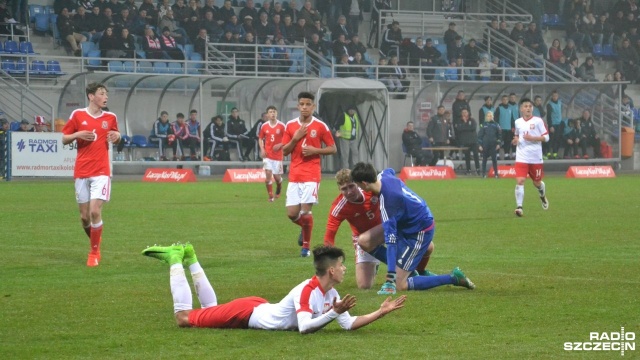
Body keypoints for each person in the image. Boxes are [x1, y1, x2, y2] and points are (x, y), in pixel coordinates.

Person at [142, 243, 407, 332]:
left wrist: (380, 312)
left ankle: (192, 258)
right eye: (342, 265)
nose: (345, 269)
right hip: (246, 313)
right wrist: (334, 313)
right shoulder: (308, 290)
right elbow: (304, 328)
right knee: (184, 319)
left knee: (211, 311)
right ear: (331, 270)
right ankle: (177, 259)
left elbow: (347, 324)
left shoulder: (332, 294)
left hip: (258, 307)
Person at [350, 162, 476, 295]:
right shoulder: (384, 176)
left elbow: (391, 243)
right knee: (364, 241)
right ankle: (408, 268)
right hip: (406, 223)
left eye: (358, 185)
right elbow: (391, 169)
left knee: (401, 284)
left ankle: (453, 278)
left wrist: (390, 277)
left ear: (364, 183)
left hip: (419, 230)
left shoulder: (388, 204)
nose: (359, 189)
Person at [324, 169, 437, 290]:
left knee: (428, 247)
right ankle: (389, 263)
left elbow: (393, 185)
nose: (349, 192)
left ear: (358, 183)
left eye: (351, 186)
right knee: (364, 285)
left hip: (387, 228)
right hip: (365, 240)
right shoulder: (338, 207)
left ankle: (421, 271)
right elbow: (329, 238)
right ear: (339, 190)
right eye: (344, 189)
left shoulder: (370, 189)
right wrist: (328, 265)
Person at [61, 83, 120, 267]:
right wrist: (79, 133)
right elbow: (64, 138)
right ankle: (95, 240)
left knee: (95, 211)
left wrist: (116, 137)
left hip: (101, 170)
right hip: (82, 170)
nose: (106, 97)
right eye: (102, 93)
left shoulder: (110, 117)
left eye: (106, 94)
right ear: (91, 96)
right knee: (85, 217)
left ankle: (93, 253)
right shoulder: (78, 115)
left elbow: (117, 135)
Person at [282, 92, 337, 257]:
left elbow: (333, 148)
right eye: (302, 104)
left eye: (308, 104)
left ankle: (305, 248)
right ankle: (304, 227)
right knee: (292, 214)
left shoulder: (320, 126)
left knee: (306, 212)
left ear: (313, 106)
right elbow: (285, 150)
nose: (304, 107)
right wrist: (295, 138)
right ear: (298, 106)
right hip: (295, 174)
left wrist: (316, 150)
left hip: (312, 173)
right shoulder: (291, 126)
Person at [511, 98, 549, 217]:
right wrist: (516, 140)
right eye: (526, 106)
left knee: (536, 182)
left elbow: (546, 137)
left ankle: (542, 195)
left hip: (535, 158)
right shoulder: (518, 122)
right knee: (520, 180)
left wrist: (533, 138)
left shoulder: (538, 121)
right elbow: (517, 135)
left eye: (530, 106)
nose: (528, 108)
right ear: (521, 109)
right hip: (521, 156)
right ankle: (519, 207)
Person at [258, 106, 285, 202]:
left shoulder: (282, 126)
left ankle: (279, 185)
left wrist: (281, 144)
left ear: (276, 113)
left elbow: (287, 139)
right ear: (267, 114)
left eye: (274, 112)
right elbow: (260, 138)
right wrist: (262, 149)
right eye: (270, 112)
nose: (273, 113)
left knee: (277, 177)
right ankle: (270, 196)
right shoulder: (264, 126)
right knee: (268, 174)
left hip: (278, 156)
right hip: (267, 155)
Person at [455, 109, 480, 175]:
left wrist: (465, 125)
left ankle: (478, 169)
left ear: (468, 113)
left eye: (465, 112)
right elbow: (459, 129)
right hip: (465, 141)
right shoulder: (459, 121)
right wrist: (466, 125)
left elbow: (473, 128)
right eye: (463, 112)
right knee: (467, 156)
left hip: (473, 141)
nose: (464, 113)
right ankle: (468, 170)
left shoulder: (472, 120)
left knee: (475, 155)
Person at [477, 111, 502, 178]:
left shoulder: (496, 125)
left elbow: (499, 135)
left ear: (493, 117)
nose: (490, 117)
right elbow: (480, 136)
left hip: (493, 145)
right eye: (488, 116)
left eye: (491, 116)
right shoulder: (483, 125)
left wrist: (498, 144)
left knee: (494, 159)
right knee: (484, 159)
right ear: (486, 117)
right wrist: (479, 145)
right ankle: (484, 174)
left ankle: (496, 174)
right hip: (485, 145)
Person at [493, 95, 513, 160]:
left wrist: (513, 127)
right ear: (502, 100)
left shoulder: (510, 108)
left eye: (506, 99)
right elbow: (495, 119)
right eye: (504, 99)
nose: (505, 100)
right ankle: (497, 155)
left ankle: (506, 155)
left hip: (508, 129)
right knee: (499, 142)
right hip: (501, 129)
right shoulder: (499, 108)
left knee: (507, 142)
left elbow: (512, 118)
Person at [546, 90, 563, 159]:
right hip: (553, 124)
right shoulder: (549, 104)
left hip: (559, 123)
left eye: (556, 96)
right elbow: (548, 116)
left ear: (558, 96)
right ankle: (549, 153)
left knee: (557, 139)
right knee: (551, 139)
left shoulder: (559, 102)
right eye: (553, 96)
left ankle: (555, 153)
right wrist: (550, 126)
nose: (555, 97)